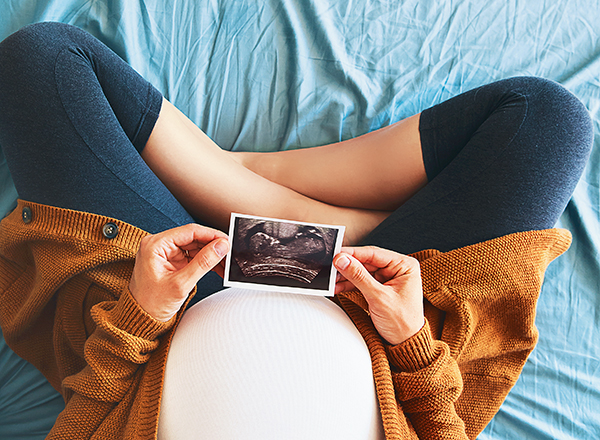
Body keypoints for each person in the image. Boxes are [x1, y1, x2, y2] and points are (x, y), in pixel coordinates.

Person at [0, 22, 592, 439]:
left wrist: (138, 316)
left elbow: (81, 428)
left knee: (43, 60)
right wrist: (412, 340)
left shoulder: (146, 312)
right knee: (548, 122)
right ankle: (257, 182)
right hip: (377, 315)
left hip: (163, 310)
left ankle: (240, 179)